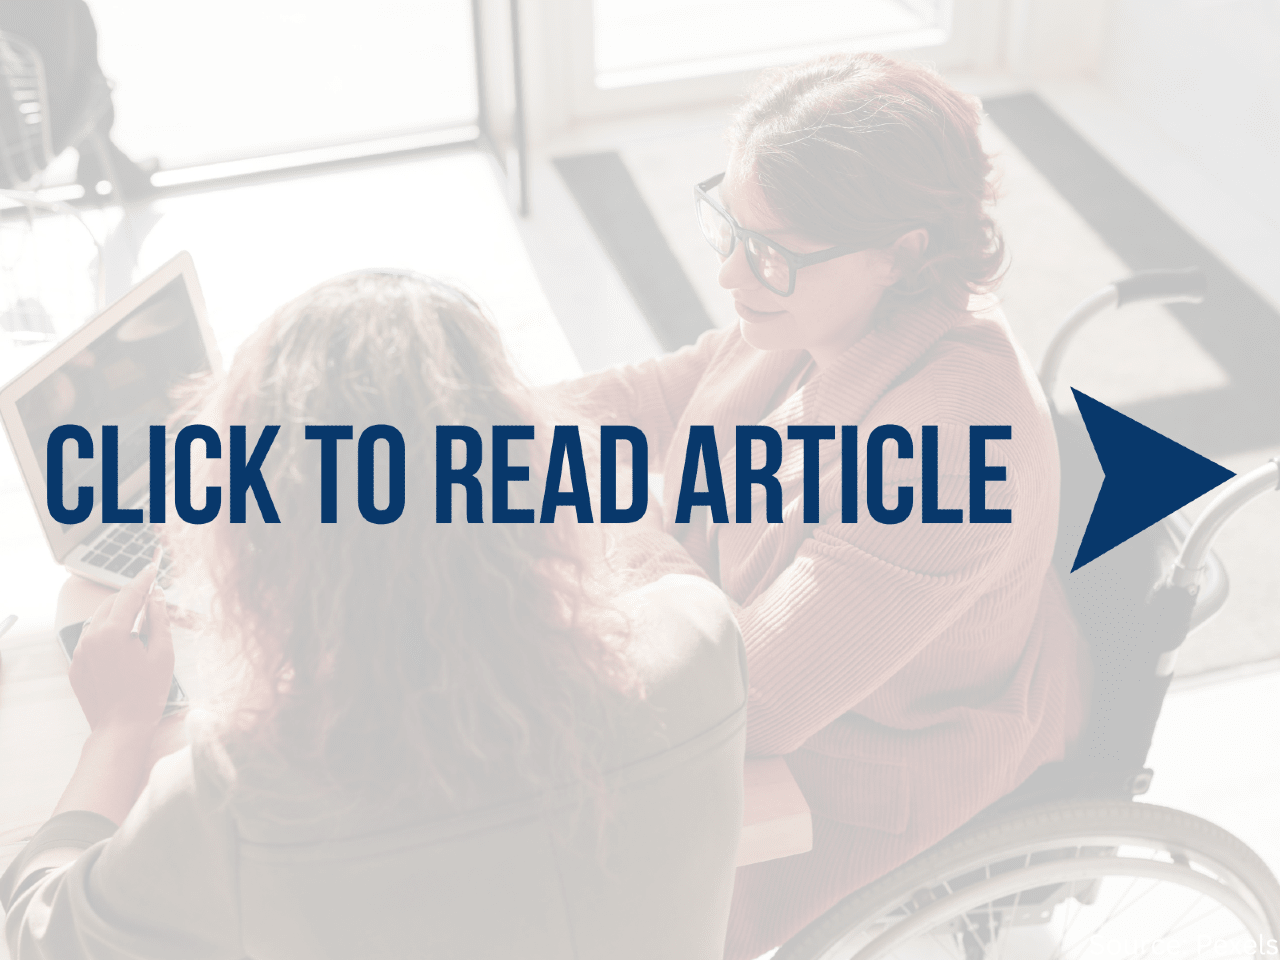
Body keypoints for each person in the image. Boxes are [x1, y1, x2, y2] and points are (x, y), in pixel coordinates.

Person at [0, 271, 749, 958]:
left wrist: (120, 730)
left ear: (266, 548)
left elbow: (36, 938)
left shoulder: (235, 798)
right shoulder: (700, 637)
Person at [555, 52, 1089, 958]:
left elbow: (747, 702)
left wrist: (601, 500)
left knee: (581, 870)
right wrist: (476, 408)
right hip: (801, 672)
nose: (731, 275)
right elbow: (656, 393)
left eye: (767, 251)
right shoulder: (815, 308)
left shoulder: (949, 452)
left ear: (905, 250)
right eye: (728, 225)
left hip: (868, 768)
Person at [0, 0, 154, 197]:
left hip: (14, 144)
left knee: (81, 81)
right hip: (30, 148)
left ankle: (98, 162)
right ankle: (99, 161)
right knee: (89, 84)